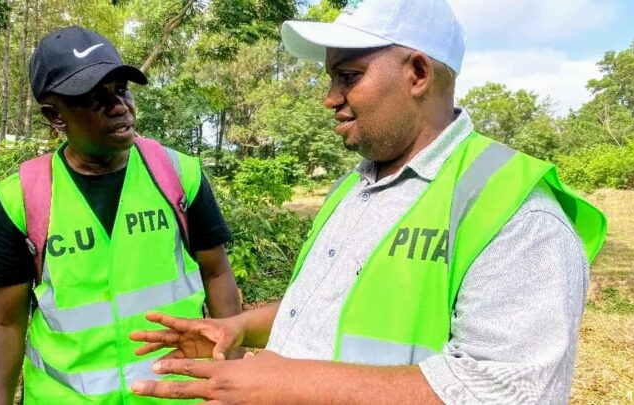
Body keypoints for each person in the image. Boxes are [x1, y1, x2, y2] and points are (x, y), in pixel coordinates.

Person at [128, 0, 607, 403]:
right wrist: (239, 329)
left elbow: (505, 391)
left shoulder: (515, 209)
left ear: (418, 73)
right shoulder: (353, 188)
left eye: (348, 75)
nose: (329, 98)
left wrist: (287, 383)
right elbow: (322, 309)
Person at [0, 26, 241, 404]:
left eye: (122, 90)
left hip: (175, 394)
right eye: (94, 98)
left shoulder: (179, 175)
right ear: (55, 116)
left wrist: (228, 371)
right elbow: (4, 321)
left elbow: (216, 272)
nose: (120, 107)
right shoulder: (21, 198)